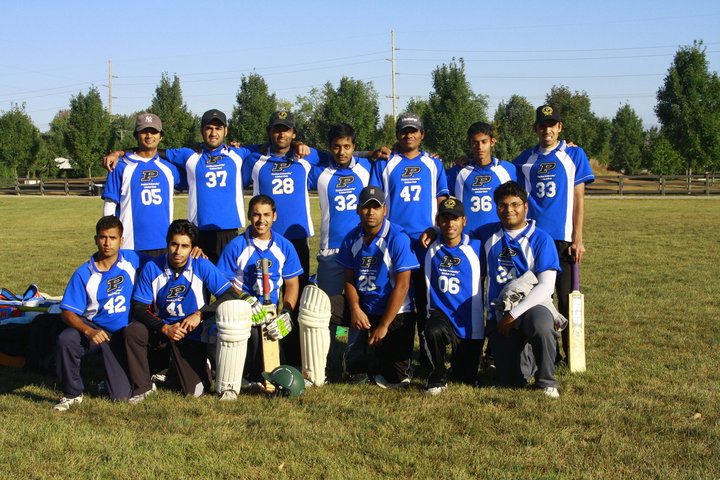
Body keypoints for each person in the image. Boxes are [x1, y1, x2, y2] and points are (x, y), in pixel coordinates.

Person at [513, 105, 594, 361]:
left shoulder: (574, 154)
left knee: (566, 298)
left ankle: (573, 354)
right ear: (535, 129)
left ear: (559, 128)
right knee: (536, 297)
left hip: (563, 239)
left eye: (552, 125)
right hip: (535, 240)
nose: (546, 129)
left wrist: (578, 237)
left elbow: (579, 198)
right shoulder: (523, 160)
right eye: (542, 125)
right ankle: (546, 353)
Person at [125, 220, 231, 401]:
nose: (178, 251)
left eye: (184, 246)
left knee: (195, 393)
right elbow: (139, 308)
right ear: (167, 243)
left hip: (190, 330)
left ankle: (199, 363)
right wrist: (164, 328)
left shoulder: (201, 265)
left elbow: (229, 295)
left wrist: (200, 314)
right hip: (161, 328)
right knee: (133, 331)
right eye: (174, 244)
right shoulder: (152, 268)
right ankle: (143, 385)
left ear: (192, 248)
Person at [473, 181, 562, 398]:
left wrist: (513, 315)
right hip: (500, 310)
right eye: (503, 205)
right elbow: (454, 233)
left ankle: (547, 381)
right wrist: (433, 231)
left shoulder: (541, 238)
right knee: (512, 380)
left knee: (541, 325)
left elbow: (546, 286)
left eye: (515, 204)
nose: (509, 210)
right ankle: (527, 354)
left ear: (525, 206)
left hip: (533, 305)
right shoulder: (486, 234)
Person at [372, 113, 448, 363]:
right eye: (404, 131)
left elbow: (442, 201)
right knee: (398, 298)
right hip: (396, 242)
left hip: (427, 241)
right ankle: (395, 354)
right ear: (397, 135)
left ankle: (429, 356)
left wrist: (437, 228)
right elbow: (376, 200)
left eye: (414, 131)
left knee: (426, 299)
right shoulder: (385, 163)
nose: (409, 135)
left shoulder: (434, 164)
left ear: (422, 134)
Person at [54, 216, 149, 411]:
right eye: (103, 237)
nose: (107, 243)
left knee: (120, 397)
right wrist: (87, 331)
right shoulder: (83, 273)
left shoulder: (133, 259)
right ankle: (72, 393)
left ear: (121, 240)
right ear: (95, 239)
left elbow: (168, 260)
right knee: (66, 339)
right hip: (95, 330)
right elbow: (67, 312)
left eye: (112, 238)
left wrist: (195, 252)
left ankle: (111, 379)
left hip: (122, 334)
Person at [336, 186, 419, 388]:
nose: (370, 212)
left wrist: (383, 325)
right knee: (322, 308)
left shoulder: (398, 237)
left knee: (396, 379)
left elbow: (403, 286)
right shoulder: (351, 237)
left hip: (395, 311)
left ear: (385, 209)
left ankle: (378, 354)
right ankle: (339, 353)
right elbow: (348, 279)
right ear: (357, 209)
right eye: (366, 207)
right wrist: (355, 309)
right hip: (364, 307)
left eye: (375, 207)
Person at [216, 195, 302, 383]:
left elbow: (292, 284)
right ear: (249, 216)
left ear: (274, 216)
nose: (261, 220)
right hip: (242, 308)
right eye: (256, 215)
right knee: (254, 335)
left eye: (266, 215)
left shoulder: (285, 246)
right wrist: (244, 298)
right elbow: (222, 283)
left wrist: (287, 311)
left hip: (271, 309)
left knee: (284, 328)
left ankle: (291, 366)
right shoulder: (236, 246)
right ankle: (250, 375)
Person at [420, 198, 484, 395]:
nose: (450, 224)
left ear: (464, 221)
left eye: (455, 219)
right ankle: (437, 378)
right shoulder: (428, 247)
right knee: (432, 331)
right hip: (442, 314)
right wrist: (431, 231)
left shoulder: (478, 246)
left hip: (470, 321)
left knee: (466, 377)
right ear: (438, 221)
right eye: (445, 219)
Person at [101, 113, 183, 256]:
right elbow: (109, 205)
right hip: (129, 244)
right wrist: (110, 238)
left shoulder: (169, 168)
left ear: (161, 136)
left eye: (154, 132)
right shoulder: (120, 166)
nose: (149, 135)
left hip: (163, 243)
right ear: (136, 135)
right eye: (144, 131)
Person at [448, 122, 516, 233]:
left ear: (492, 142)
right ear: (469, 144)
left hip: (498, 236)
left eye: (484, 142)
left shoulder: (508, 169)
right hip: (468, 238)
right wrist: (433, 159)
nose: (480, 147)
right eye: (475, 142)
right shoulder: (458, 172)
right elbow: (434, 189)